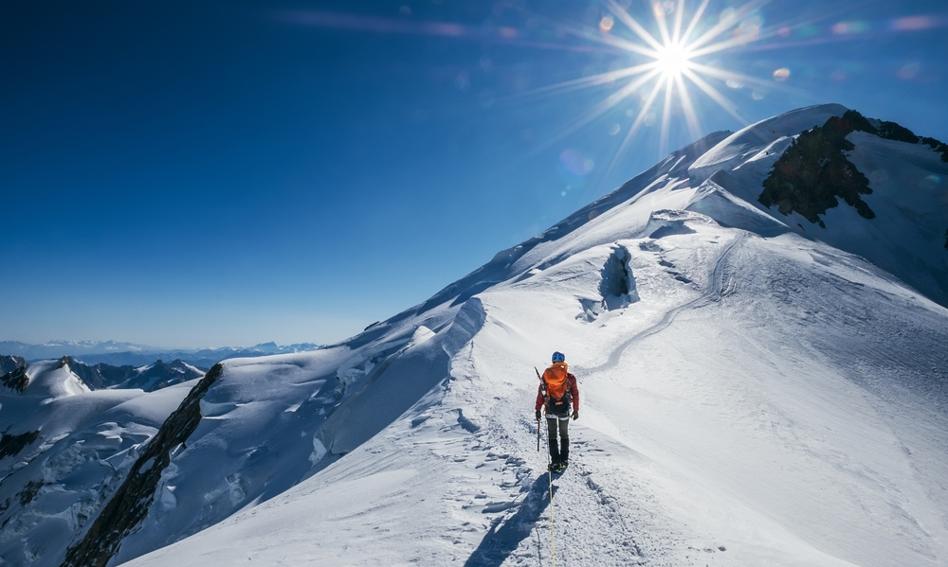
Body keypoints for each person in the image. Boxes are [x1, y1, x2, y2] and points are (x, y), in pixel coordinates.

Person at [535, 351, 579, 471]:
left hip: (550, 410)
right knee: (564, 435)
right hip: (564, 410)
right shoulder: (570, 378)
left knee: (552, 436)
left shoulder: (546, 375)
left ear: (553, 361)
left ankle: (555, 462)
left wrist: (538, 409)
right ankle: (564, 461)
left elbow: (541, 393)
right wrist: (576, 410)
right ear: (563, 362)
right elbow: (575, 394)